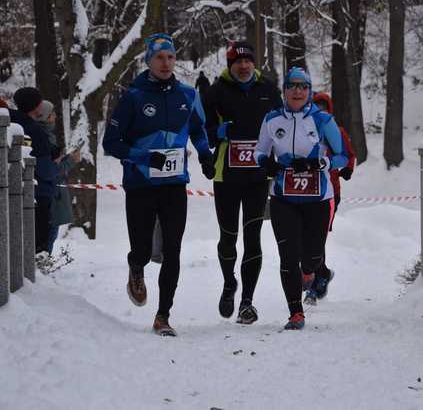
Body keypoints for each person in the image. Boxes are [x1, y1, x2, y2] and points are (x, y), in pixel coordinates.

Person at [102, 32, 215, 337]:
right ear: (148, 61)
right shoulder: (133, 98)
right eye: (159, 57)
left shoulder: (189, 96)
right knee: (141, 248)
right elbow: (111, 143)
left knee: (173, 251)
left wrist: (205, 156)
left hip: (174, 184)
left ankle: (163, 315)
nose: (166, 63)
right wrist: (143, 157)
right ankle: (136, 267)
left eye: (171, 57)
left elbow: (198, 130)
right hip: (140, 184)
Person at [254, 67, 349, 330]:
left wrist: (323, 162)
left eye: (303, 86)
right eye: (292, 86)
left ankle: (311, 270)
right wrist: (267, 165)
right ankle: (296, 313)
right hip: (283, 198)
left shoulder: (323, 120)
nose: (297, 91)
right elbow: (258, 152)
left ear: (309, 91)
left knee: (311, 257)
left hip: (317, 199)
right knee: (287, 255)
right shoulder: (272, 119)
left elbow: (343, 156)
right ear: (284, 90)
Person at [202, 41, 282, 324]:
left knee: (253, 237)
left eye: (248, 61)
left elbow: (282, 128)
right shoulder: (215, 92)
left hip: (258, 177)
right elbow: (203, 133)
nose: (244, 66)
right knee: (228, 237)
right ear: (230, 65)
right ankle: (228, 283)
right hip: (227, 175)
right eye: (238, 62)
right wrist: (218, 131)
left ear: (254, 62)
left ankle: (247, 301)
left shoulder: (269, 90)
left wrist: (280, 160)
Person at [303, 92, 356, 305]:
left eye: (324, 107)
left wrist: (348, 169)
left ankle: (315, 287)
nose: (321, 111)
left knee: (318, 238)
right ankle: (321, 273)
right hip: (304, 192)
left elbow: (349, 154)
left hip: (330, 193)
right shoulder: (304, 130)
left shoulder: (336, 130)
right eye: (317, 107)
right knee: (305, 237)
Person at [10, 87, 59, 254]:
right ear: (36, 106)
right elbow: (46, 170)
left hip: (14, 189)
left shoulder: (13, 123)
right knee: (39, 244)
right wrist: (56, 163)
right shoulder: (35, 131)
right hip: (39, 194)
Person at [34, 100, 81, 254]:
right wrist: (70, 161)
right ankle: (42, 266)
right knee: (47, 236)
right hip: (47, 194)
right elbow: (51, 171)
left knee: (48, 233)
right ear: (45, 118)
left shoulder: (46, 136)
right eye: (51, 114)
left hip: (49, 193)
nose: (55, 117)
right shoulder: (43, 138)